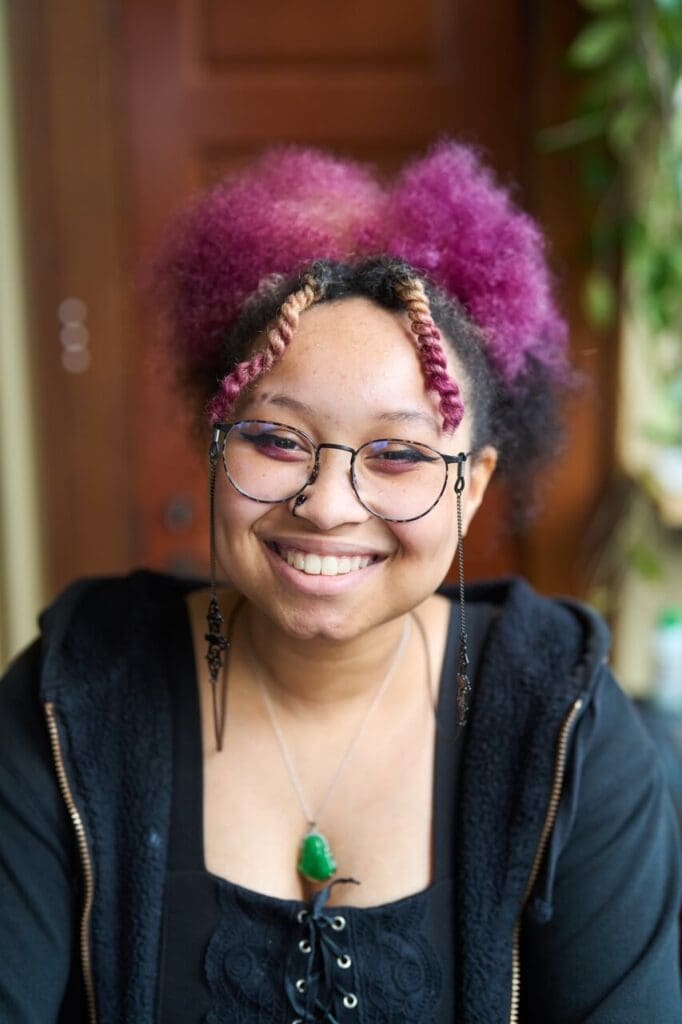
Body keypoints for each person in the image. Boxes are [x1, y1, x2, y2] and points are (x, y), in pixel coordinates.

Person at [1, 141, 680, 1024]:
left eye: (397, 455)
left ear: (470, 487)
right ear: (215, 452)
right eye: (277, 441)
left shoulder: (563, 715)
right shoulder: (73, 693)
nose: (327, 506)